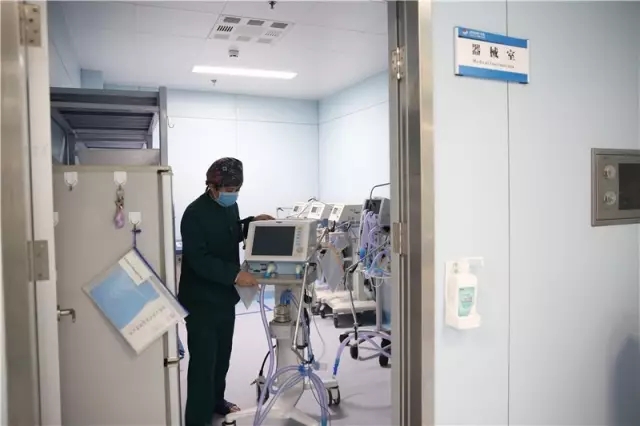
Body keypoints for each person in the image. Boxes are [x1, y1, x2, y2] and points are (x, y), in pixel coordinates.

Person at [178, 157, 273, 426]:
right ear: (212, 186)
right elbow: (199, 259)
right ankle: (197, 418)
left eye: (237, 189)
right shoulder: (194, 214)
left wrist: (252, 223)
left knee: (221, 359)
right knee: (203, 364)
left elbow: (230, 231)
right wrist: (235, 274)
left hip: (224, 298)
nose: (233, 194)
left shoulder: (230, 206)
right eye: (229, 190)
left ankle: (216, 402)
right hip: (201, 301)